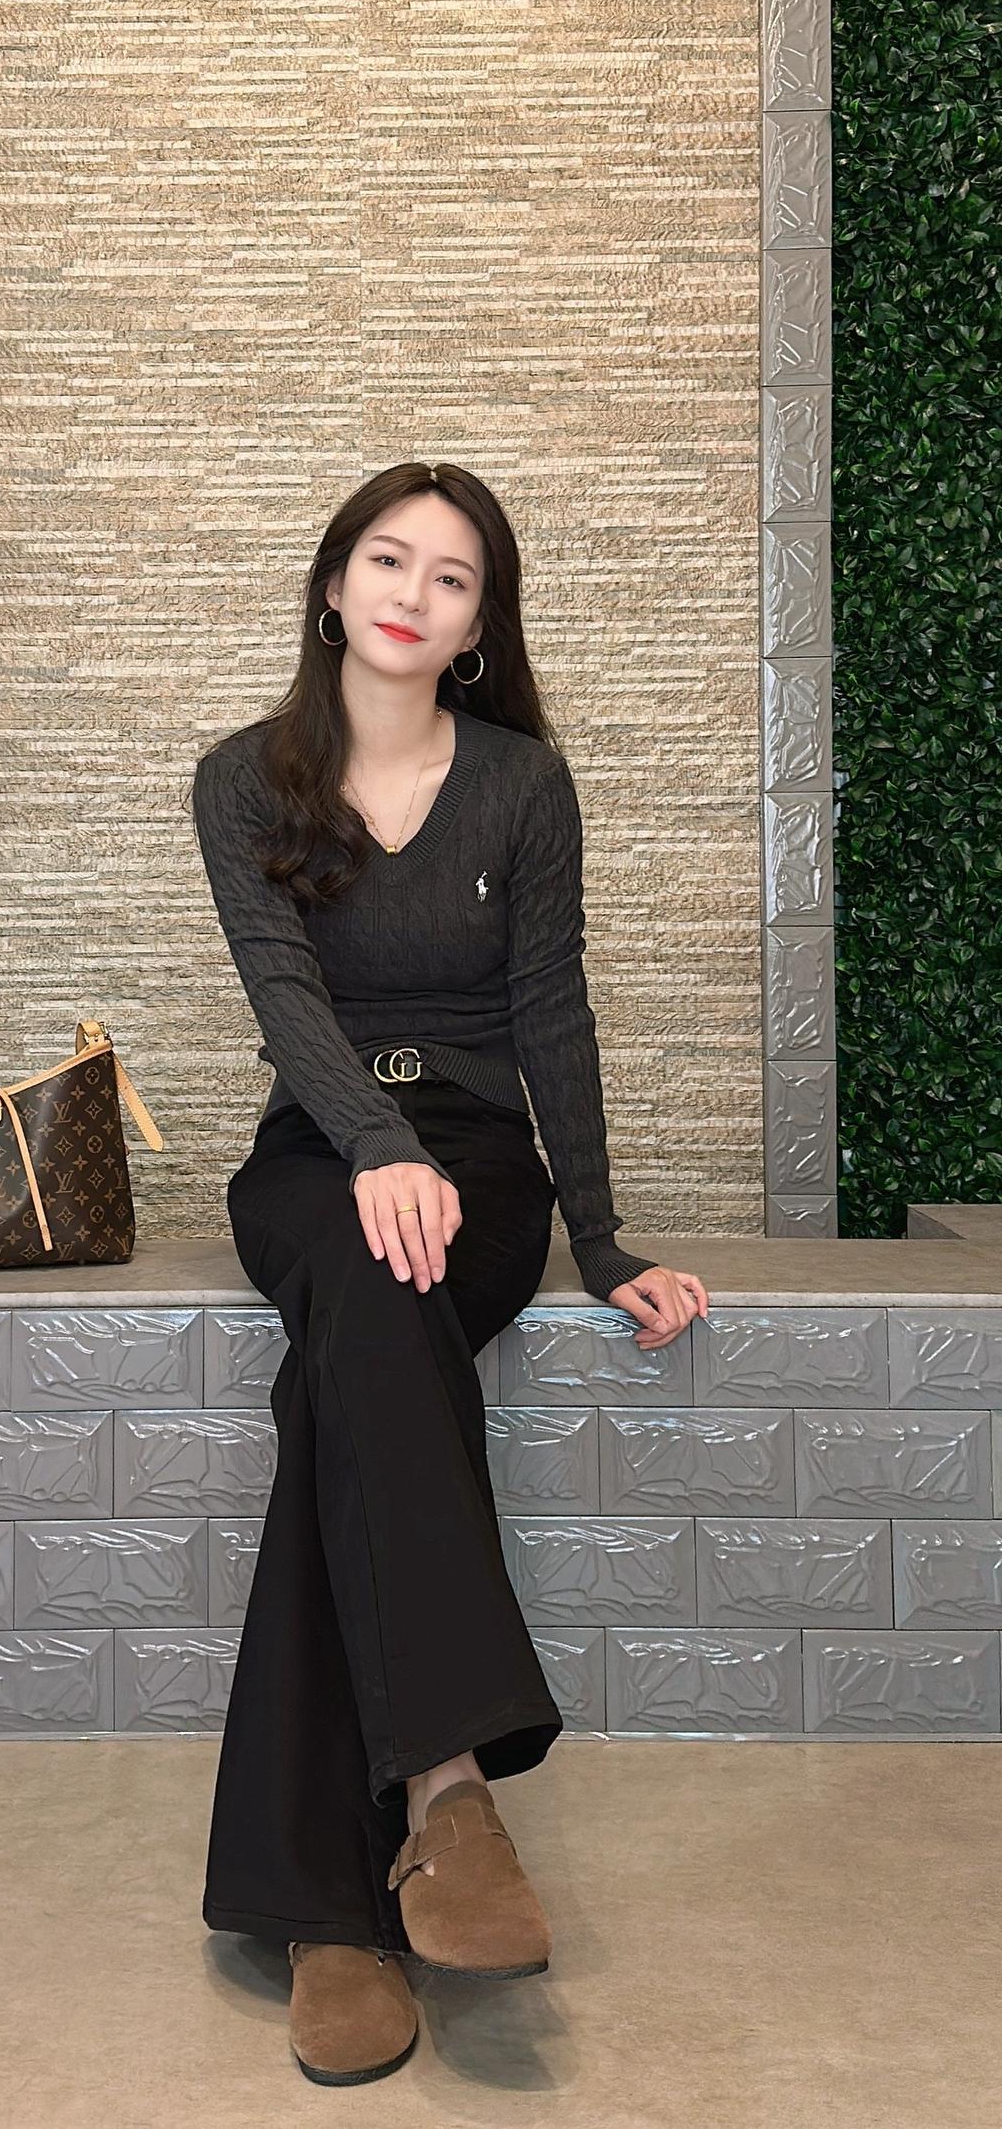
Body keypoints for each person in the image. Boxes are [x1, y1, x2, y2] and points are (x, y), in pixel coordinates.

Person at [188, 459, 708, 2085]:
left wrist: (600, 1238)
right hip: (317, 1151)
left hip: (479, 1159)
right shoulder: (242, 779)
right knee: (359, 1272)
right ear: (332, 585)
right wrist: (371, 1147)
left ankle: (325, 1915)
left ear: (482, 622)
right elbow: (286, 1000)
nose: (415, 592)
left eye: (455, 574)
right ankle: (449, 1792)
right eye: (387, 559)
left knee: (342, 1374)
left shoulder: (521, 786)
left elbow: (551, 1010)